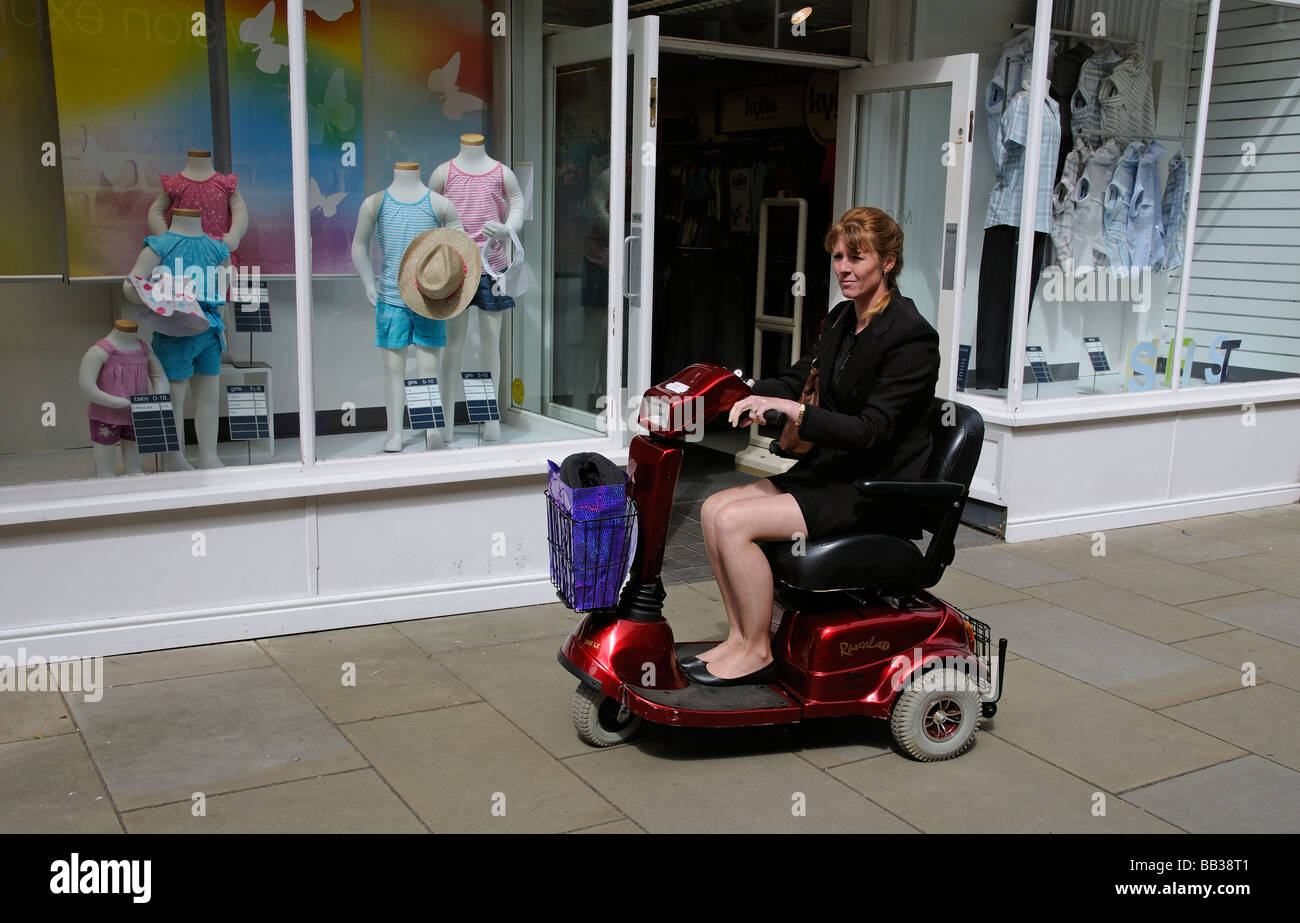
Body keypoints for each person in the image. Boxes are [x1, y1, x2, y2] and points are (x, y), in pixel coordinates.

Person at [683, 207, 940, 686]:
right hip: (833, 474)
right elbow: (801, 377)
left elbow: (872, 431)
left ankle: (758, 651)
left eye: (857, 257)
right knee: (713, 509)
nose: (844, 267)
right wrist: (743, 392)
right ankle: (740, 637)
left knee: (735, 523)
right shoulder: (844, 318)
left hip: (873, 489)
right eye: (839, 256)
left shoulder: (911, 337)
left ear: (888, 261)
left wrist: (796, 413)